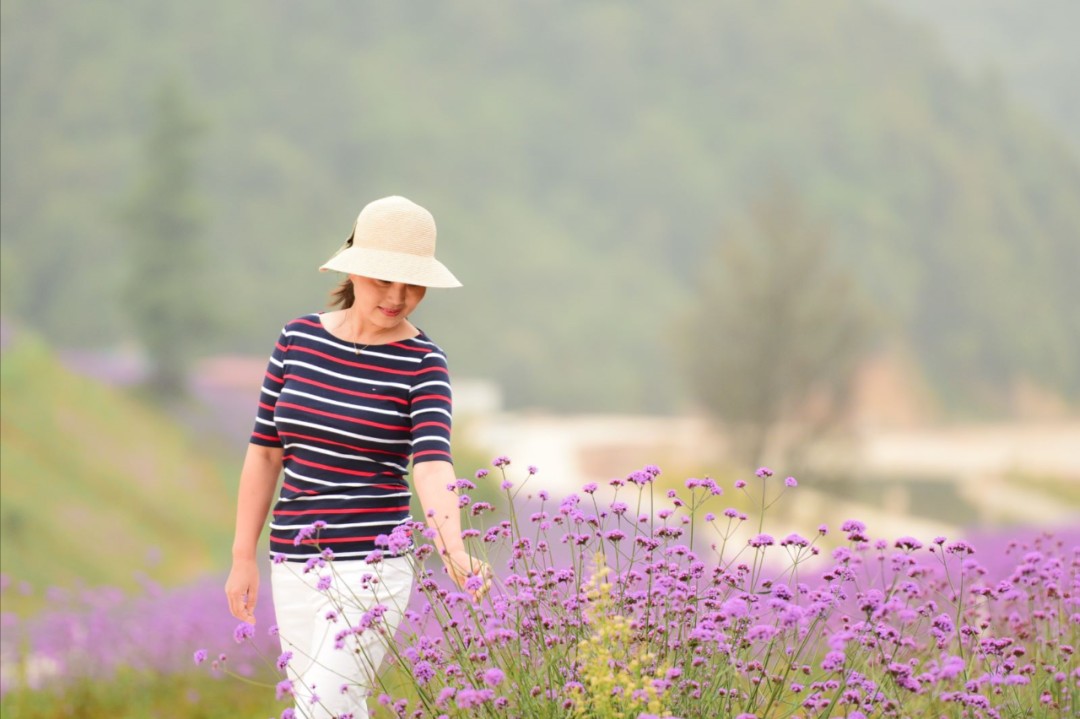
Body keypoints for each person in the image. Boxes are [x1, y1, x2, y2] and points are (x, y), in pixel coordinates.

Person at [224, 195, 489, 718]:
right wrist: (241, 556)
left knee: (326, 706)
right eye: (384, 280)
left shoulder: (423, 364)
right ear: (355, 270)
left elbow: (433, 465)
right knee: (321, 707)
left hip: (371, 569)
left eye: (413, 285)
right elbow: (264, 455)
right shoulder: (296, 339)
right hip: (292, 564)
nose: (399, 297)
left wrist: (453, 548)